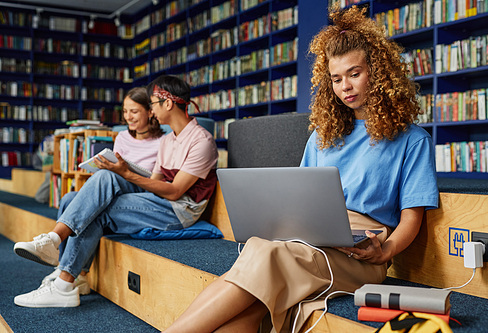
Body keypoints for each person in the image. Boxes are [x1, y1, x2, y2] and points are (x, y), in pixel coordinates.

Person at [163, 6, 439, 333]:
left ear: (377, 74)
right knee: (253, 303)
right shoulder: (323, 136)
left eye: (354, 74)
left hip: (360, 254)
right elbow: (300, 198)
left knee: (266, 258)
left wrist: (385, 252)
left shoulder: (412, 140)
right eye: (336, 79)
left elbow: (412, 218)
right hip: (306, 240)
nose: (345, 86)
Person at [13, 75, 219, 308]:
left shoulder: (201, 141)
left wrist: (126, 173)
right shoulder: (169, 140)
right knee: (78, 194)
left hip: (179, 210)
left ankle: (63, 281)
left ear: (168, 103)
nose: (151, 110)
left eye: (152, 104)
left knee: (98, 208)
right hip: (159, 200)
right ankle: (66, 266)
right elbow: (154, 182)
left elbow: (174, 192)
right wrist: (122, 173)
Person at [42, 86, 165, 296]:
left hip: (140, 191)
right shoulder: (123, 137)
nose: (128, 117)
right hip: (117, 187)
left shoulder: (163, 141)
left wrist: (121, 172)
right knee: (70, 198)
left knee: (108, 177)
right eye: (125, 111)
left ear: (150, 111)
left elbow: (157, 180)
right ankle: (77, 276)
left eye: (134, 111)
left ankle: (56, 247)